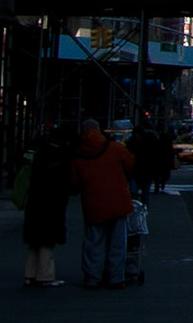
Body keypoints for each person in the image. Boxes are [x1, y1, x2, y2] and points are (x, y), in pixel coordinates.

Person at [68, 119, 134, 288]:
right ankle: (115, 277)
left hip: (93, 203)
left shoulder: (78, 154)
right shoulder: (114, 148)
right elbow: (130, 163)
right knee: (117, 243)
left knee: (93, 242)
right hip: (117, 202)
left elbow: (74, 181)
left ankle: (92, 276)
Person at [22, 125, 71, 286]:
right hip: (51, 201)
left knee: (34, 241)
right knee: (47, 241)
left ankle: (30, 273)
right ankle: (45, 275)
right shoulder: (60, 156)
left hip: (36, 200)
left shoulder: (39, 152)